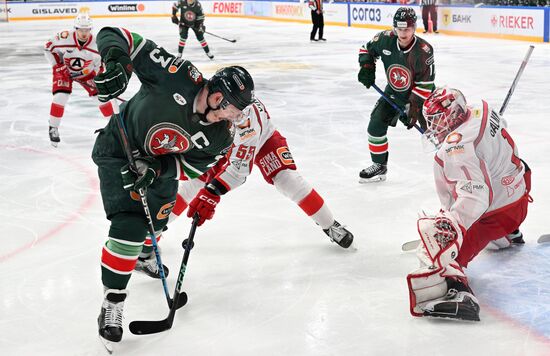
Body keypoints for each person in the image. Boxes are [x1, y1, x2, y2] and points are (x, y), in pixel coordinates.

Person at [91, 26, 254, 349]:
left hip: (158, 168)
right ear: (218, 98)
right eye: (234, 110)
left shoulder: (221, 136)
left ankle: (146, 254)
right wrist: (117, 63)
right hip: (117, 149)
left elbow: (194, 165)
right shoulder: (175, 74)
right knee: (129, 225)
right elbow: (117, 34)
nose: (236, 118)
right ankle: (113, 304)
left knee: (160, 220)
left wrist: (157, 168)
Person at [407, 87, 532, 322]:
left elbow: (476, 197)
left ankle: (459, 295)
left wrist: (452, 227)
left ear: (452, 114)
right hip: (520, 194)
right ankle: (509, 234)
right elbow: (499, 127)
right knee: (497, 175)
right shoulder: (481, 109)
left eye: (436, 120)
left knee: (449, 259)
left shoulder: (458, 146)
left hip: (498, 212)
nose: (432, 127)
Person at [164, 97, 354, 251]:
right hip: (222, 142)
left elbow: (239, 169)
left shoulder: (248, 120)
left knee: (287, 179)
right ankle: (152, 235)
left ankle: (330, 225)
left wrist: (213, 191)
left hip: (262, 140)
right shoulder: (207, 100)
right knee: (195, 181)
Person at [357, 7, 435, 183]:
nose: (403, 33)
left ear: (414, 28)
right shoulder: (385, 39)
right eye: (399, 29)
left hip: (420, 97)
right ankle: (379, 166)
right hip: (393, 94)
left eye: (407, 29)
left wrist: (413, 107)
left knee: (432, 133)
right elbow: (366, 50)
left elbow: (426, 84)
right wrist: (367, 67)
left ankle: (455, 162)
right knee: (375, 126)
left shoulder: (423, 50)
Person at [43, 12, 112, 147]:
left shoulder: (97, 44)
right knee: (60, 96)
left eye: (87, 30)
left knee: (101, 97)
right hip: (64, 71)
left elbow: (101, 64)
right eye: (81, 29)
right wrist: (58, 66)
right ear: (75, 29)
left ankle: (114, 127)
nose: (84, 33)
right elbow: (48, 48)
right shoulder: (64, 38)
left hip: (87, 73)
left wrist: (98, 77)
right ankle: (53, 128)